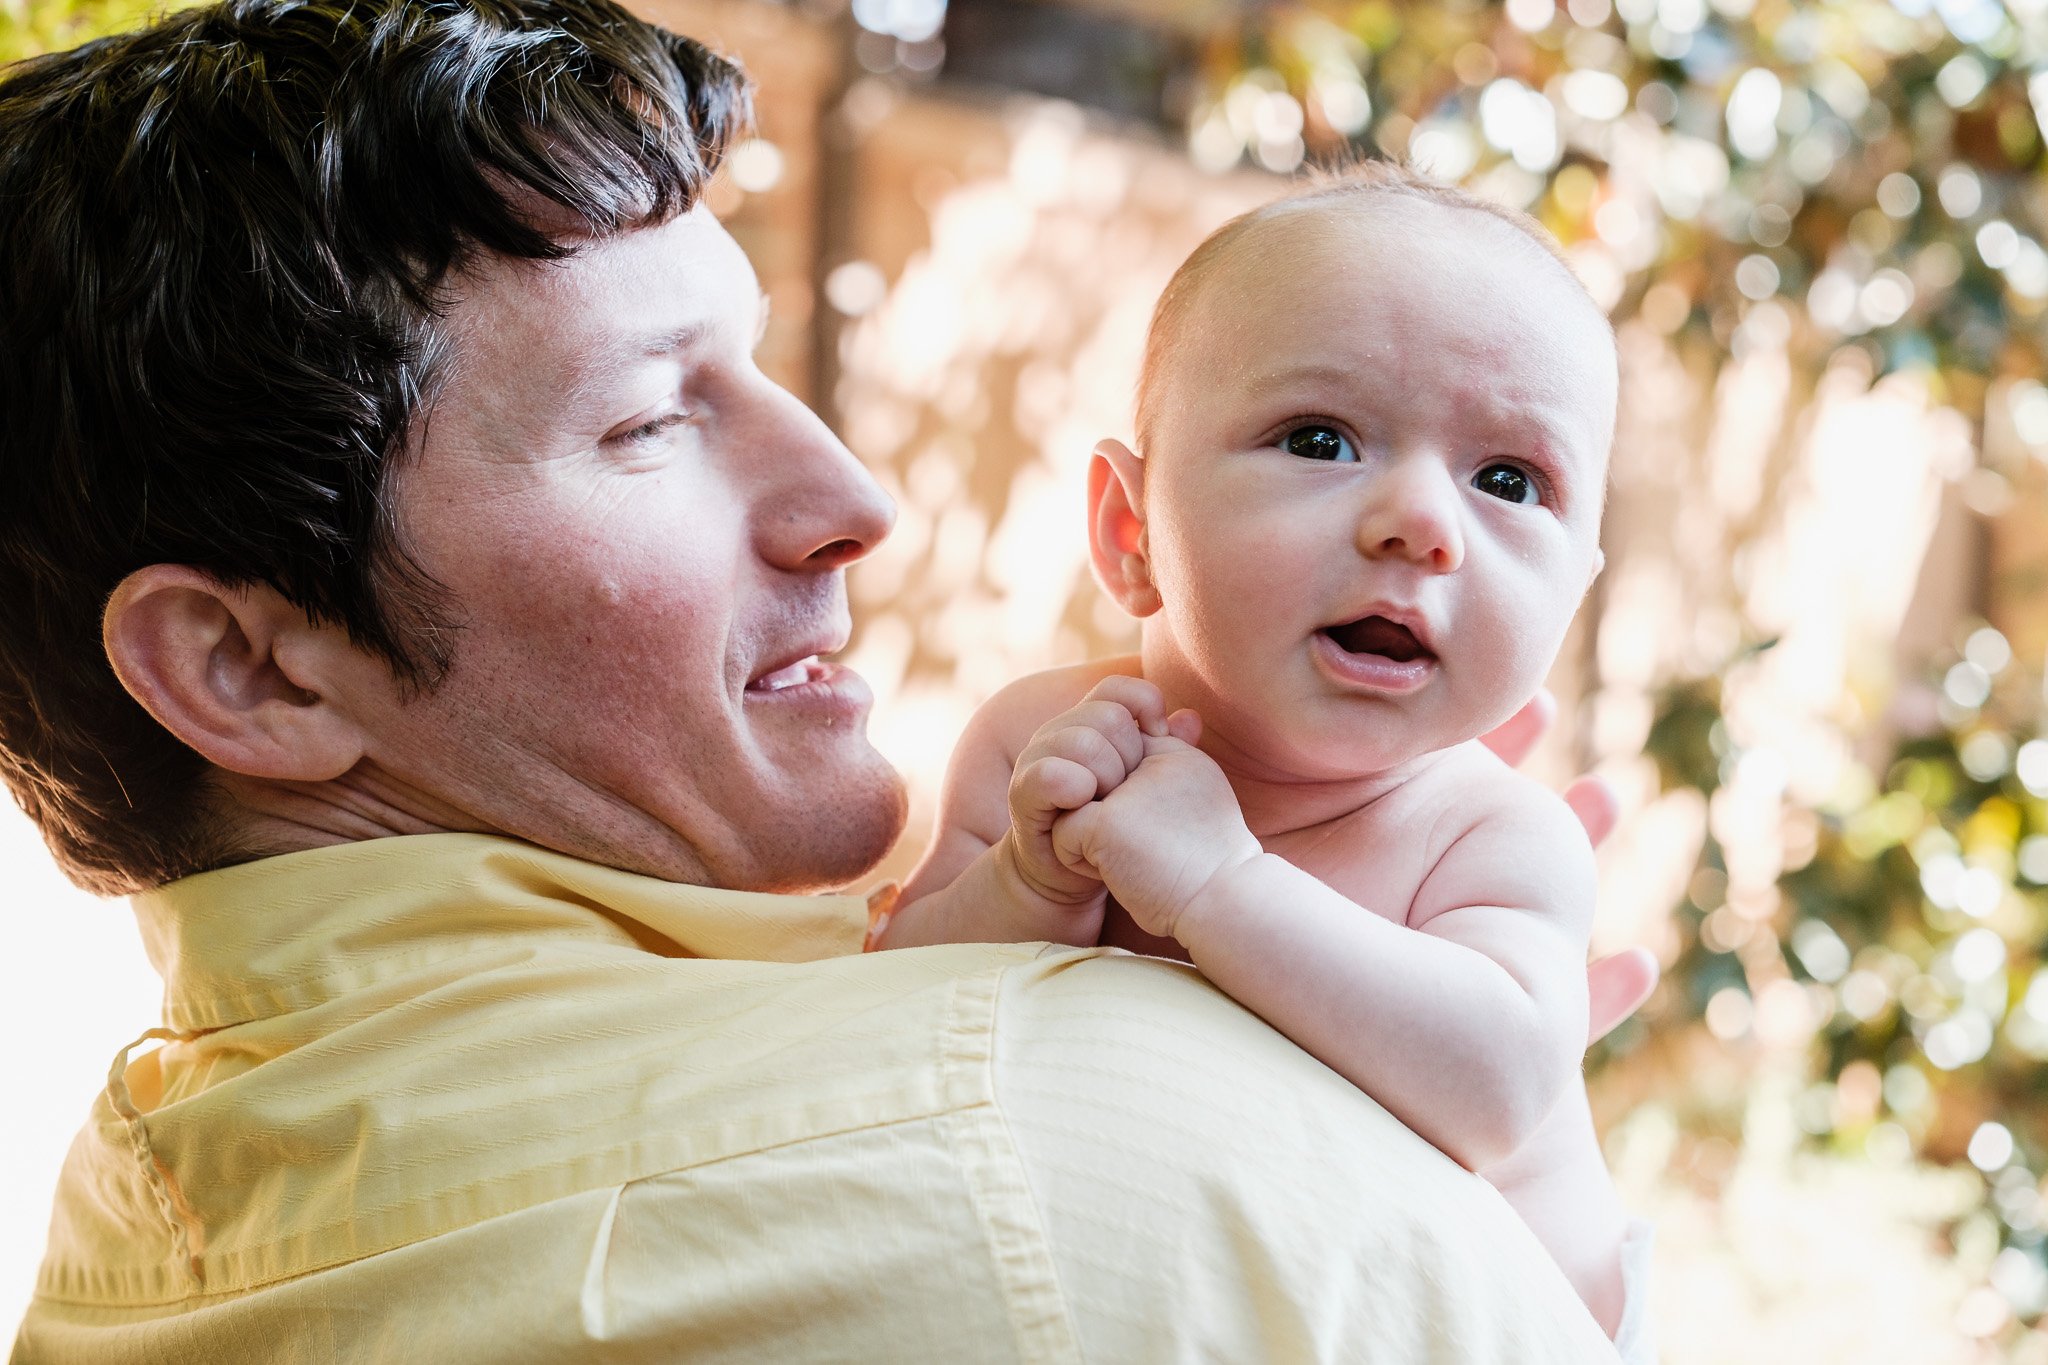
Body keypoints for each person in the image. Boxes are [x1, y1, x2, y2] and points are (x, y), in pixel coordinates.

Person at [0, 2, 1651, 1360]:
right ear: (246, 666)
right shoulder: (1082, 1182)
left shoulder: (130, 1224)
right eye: (649, 421)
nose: (856, 499)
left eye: (763, 366)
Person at [875, 169, 1651, 1358]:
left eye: (1508, 480)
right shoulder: (1041, 744)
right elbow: (888, 1010)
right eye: (1318, 438)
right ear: (1129, 535)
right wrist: (1023, 891)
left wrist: (1216, 886)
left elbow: (1493, 1090)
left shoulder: (1486, 836)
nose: (1420, 522)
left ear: (1572, 591)